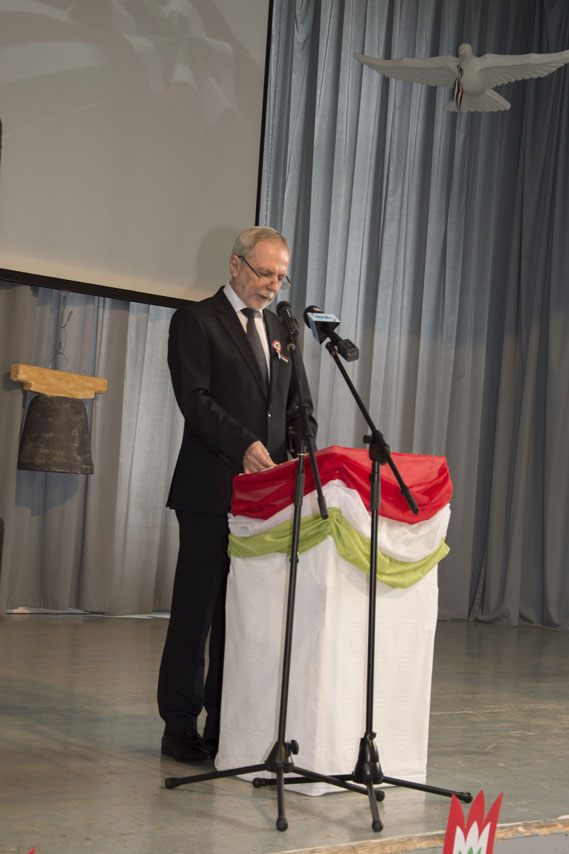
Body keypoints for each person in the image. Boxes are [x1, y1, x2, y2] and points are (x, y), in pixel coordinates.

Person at [158, 226, 317, 762]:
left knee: (241, 613)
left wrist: (304, 451)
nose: (273, 285)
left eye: (281, 277)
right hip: (209, 489)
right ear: (235, 265)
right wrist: (244, 445)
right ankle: (179, 725)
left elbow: (297, 406)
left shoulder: (281, 329)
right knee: (197, 612)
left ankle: (224, 724)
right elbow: (195, 399)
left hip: (266, 497)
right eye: (264, 272)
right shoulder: (196, 320)